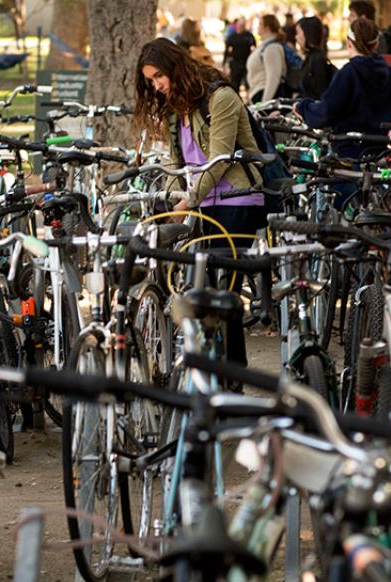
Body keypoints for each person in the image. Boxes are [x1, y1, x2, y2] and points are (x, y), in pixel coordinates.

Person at [134, 37, 267, 367]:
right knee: (201, 288)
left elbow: (219, 161)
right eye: (150, 81)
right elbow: (175, 163)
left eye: (159, 76)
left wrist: (186, 204)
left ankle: (234, 370)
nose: (156, 85)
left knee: (226, 293)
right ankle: (211, 364)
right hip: (203, 203)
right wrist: (170, 199)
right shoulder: (176, 108)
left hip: (238, 200)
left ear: (175, 67)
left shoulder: (220, 98)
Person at [294, 17, 391, 162]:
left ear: (349, 43)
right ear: (376, 44)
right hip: (378, 153)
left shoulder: (348, 73)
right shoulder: (389, 73)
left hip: (348, 156)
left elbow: (325, 112)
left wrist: (303, 107)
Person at [246, 14, 289, 102]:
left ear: (267, 27)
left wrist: (264, 102)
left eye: (260, 24)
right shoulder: (266, 45)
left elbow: (273, 78)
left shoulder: (272, 48)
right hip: (259, 93)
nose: (258, 26)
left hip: (265, 95)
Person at [296, 15, 336, 100]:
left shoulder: (317, 59)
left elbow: (320, 94)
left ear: (307, 33)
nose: (296, 37)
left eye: (298, 33)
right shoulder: (311, 57)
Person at [223, 19, 256, 96]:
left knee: (248, 83)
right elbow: (227, 51)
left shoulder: (249, 35)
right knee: (235, 84)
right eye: (240, 25)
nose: (241, 27)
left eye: (243, 25)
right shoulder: (232, 37)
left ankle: (248, 98)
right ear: (237, 25)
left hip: (246, 63)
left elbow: (254, 47)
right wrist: (225, 63)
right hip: (235, 63)